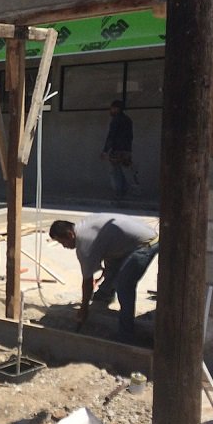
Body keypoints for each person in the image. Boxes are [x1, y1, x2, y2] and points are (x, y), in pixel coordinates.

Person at [49, 214, 158, 343]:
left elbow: (87, 282)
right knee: (111, 262)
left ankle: (126, 335)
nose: (64, 246)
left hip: (145, 245)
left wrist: (84, 309)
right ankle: (104, 295)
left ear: (69, 235)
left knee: (123, 285)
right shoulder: (83, 226)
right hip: (138, 238)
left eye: (62, 242)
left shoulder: (85, 245)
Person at [101, 99, 133, 199]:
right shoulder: (128, 120)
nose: (110, 111)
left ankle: (118, 193)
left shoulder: (116, 120)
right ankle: (124, 191)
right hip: (127, 149)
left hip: (117, 149)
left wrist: (105, 150)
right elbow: (130, 136)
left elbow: (111, 136)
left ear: (116, 109)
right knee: (122, 170)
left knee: (115, 171)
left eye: (112, 108)